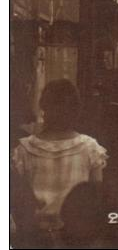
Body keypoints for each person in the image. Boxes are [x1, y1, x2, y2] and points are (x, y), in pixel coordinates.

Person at [11, 79, 108, 247]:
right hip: (78, 240)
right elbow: (96, 201)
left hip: (34, 239)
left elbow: (17, 203)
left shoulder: (24, 150)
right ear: (76, 110)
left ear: (44, 108)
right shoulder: (90, 149)